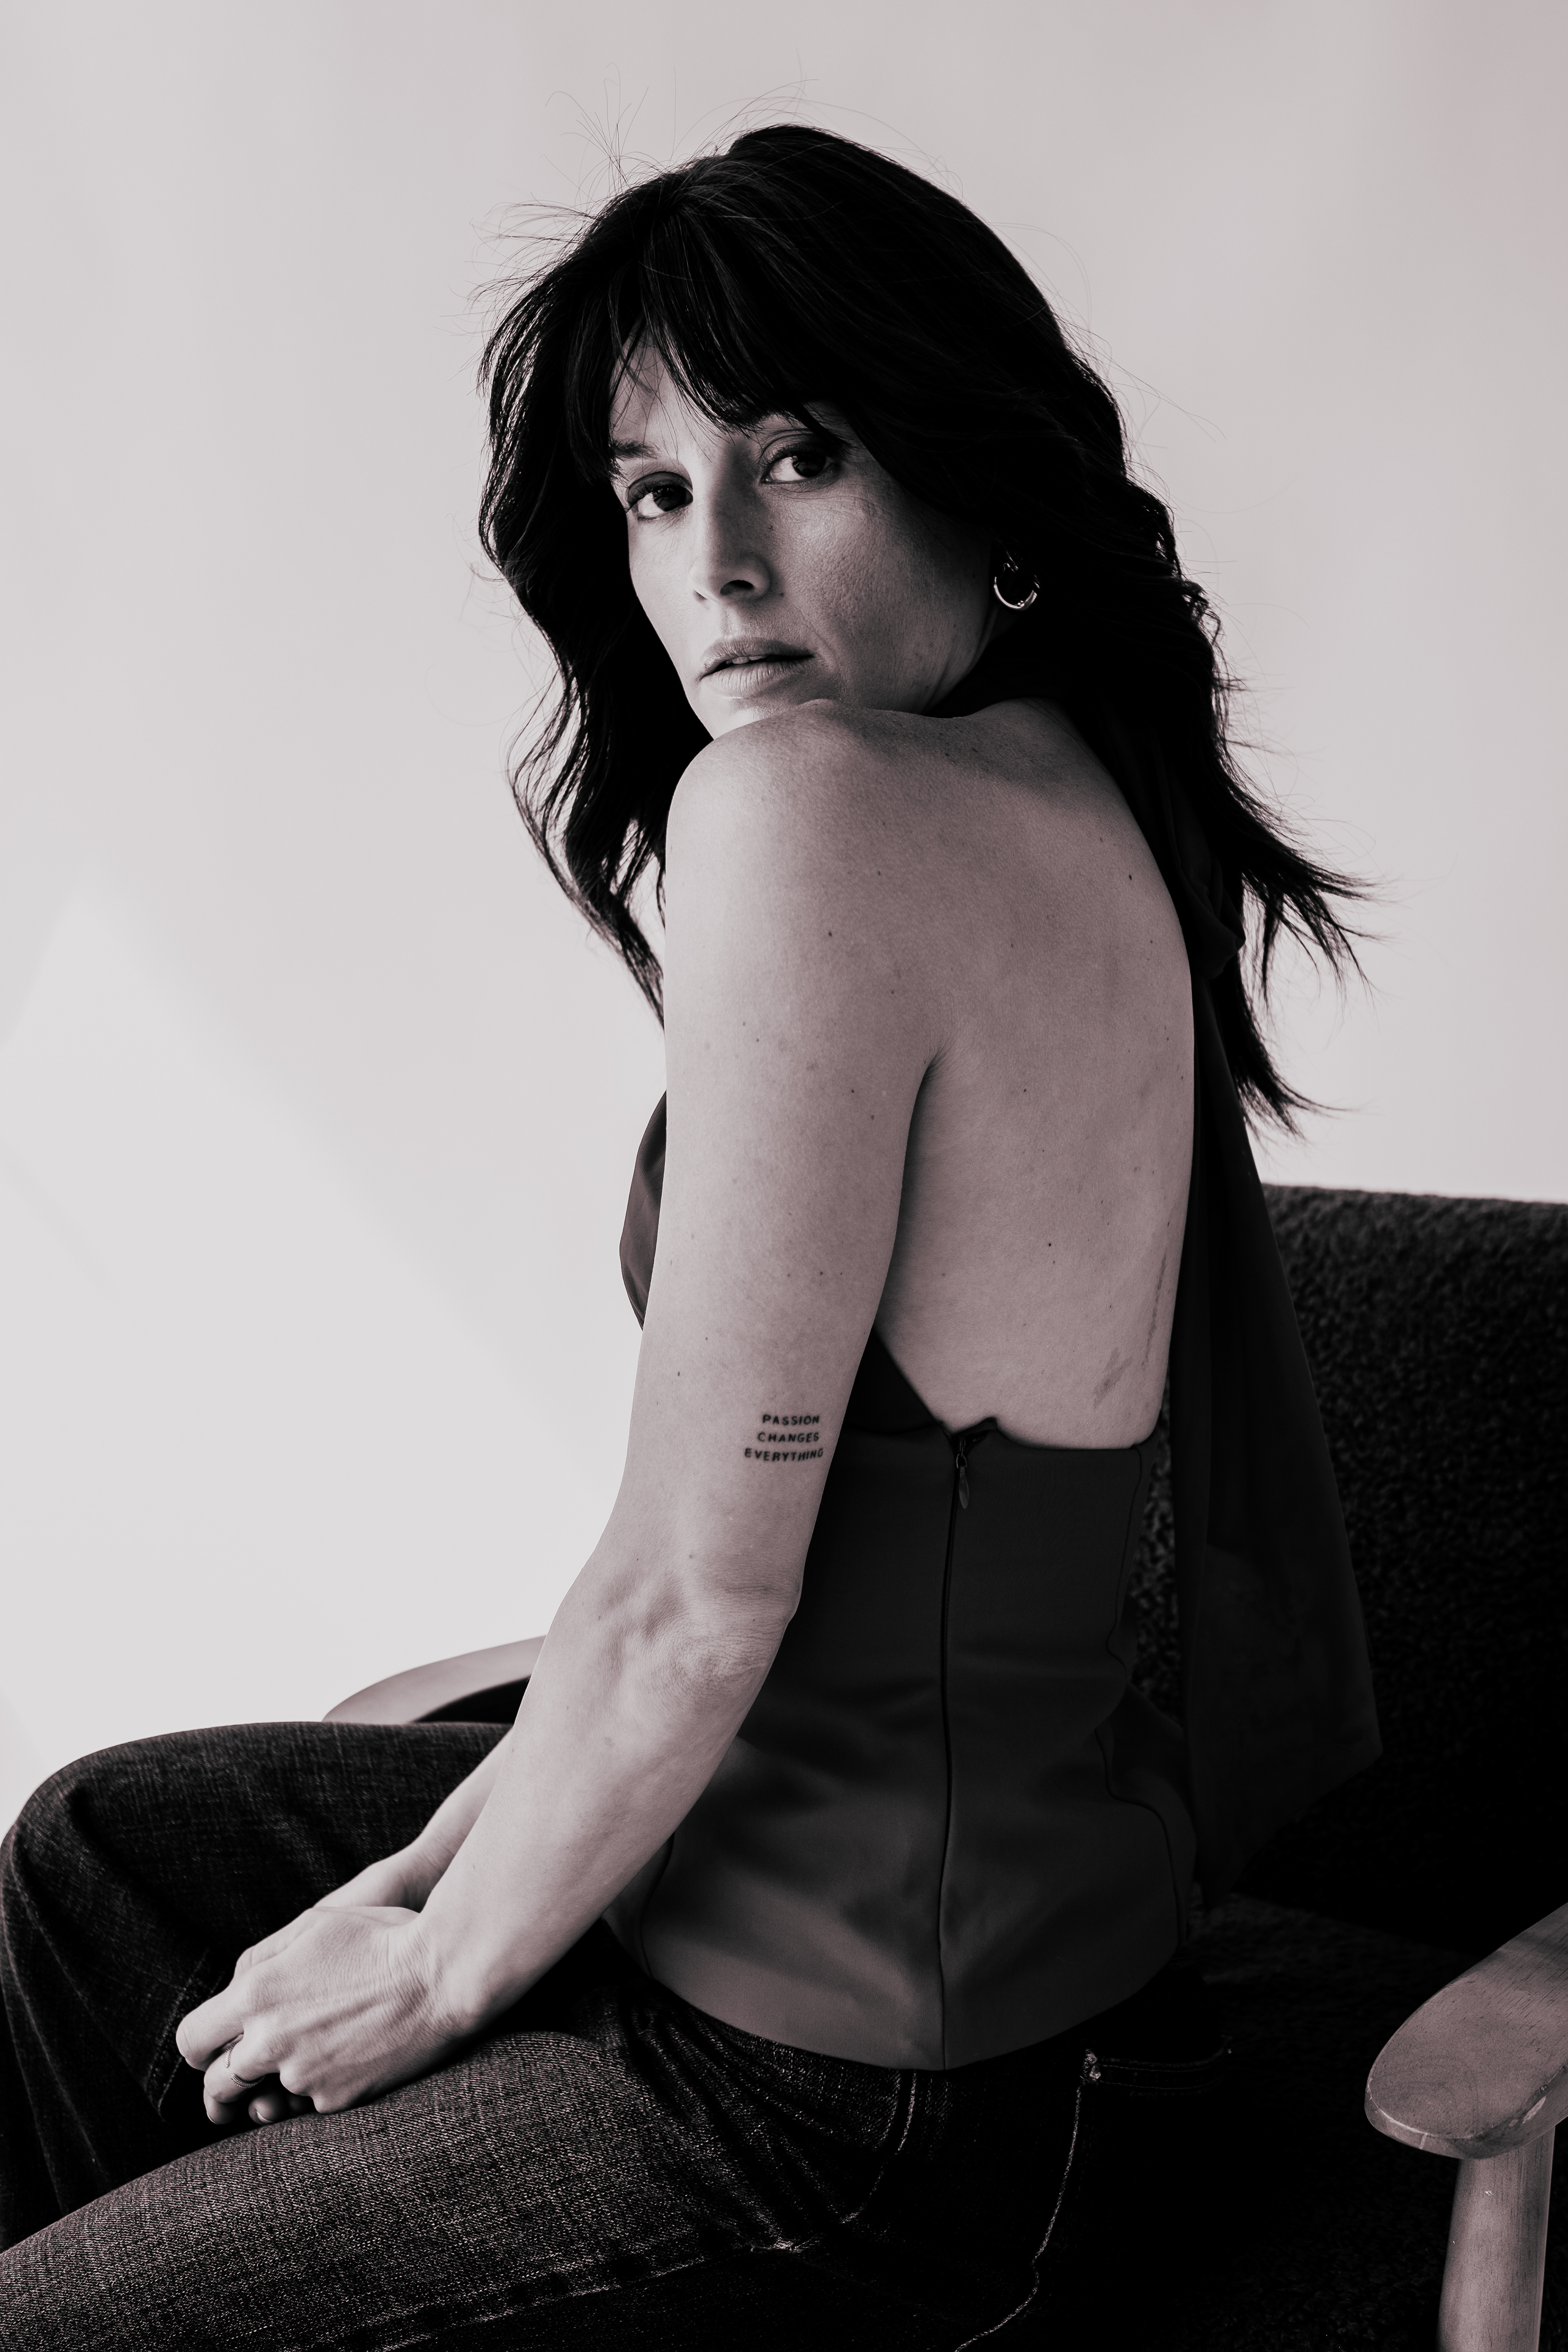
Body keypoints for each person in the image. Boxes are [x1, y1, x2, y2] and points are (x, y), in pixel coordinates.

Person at [0, 125, 1379, 2347]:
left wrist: (438, 1973)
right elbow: (679, 1581)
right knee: (107, 1861)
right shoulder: (1076, 791)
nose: (717, 565)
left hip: (863, 2089)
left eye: (798, 458)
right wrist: (423, 1879)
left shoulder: (813, 807)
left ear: (976, 474)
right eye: (654, 492)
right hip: (936, 1956)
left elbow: (695, 1601)